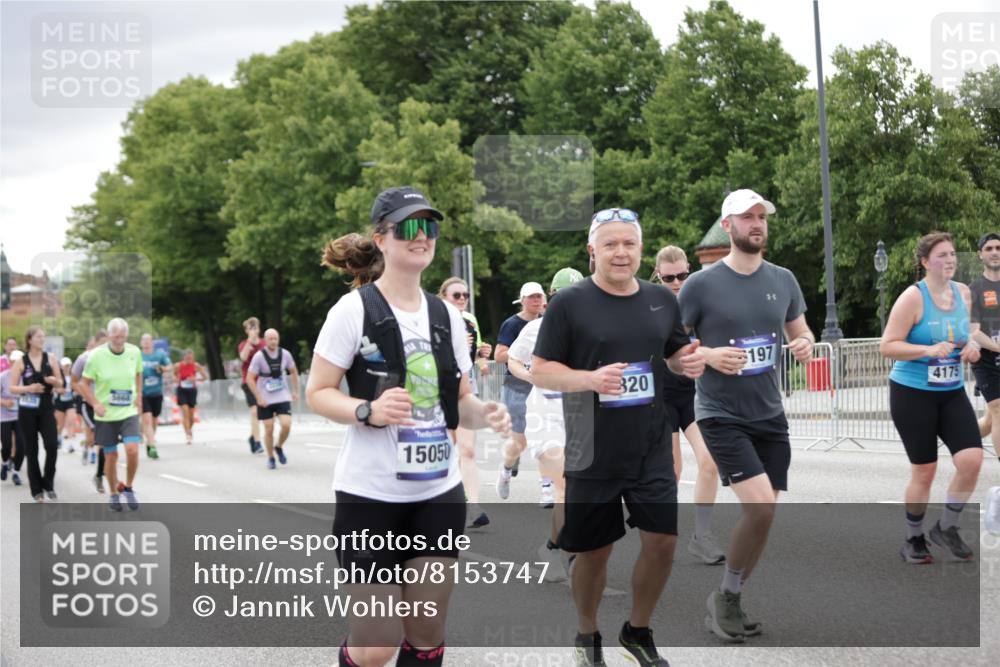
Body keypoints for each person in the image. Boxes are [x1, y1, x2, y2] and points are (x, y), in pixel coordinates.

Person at [306, 186, 511, 667]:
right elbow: (318, 391)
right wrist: (367, 411)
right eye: (409, 228)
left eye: (430, 227)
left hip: (437, 494)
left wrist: (489, 414)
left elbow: (460, 401)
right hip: (369, 497)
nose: (422, 238)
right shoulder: (353, 311)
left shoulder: (447, 316)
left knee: (424, 634)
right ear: (381, 239)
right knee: (376, 645)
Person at [532, 208, 705, 667]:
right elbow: (541, 370)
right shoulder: (570, 303)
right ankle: (587, 633)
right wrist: (590, 379)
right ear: (593, 251)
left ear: (641, 249)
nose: (621, 252)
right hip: (591, 447)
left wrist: (688, 361)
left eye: (629, 243)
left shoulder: (661, 300)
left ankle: (638, 630)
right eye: (610, 244)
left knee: (663, 541)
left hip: (649, 442)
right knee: (594, 551)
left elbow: (672, 352)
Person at [678, 189, 814, 643]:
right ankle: (726, 600)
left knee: (765, 513)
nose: (757, 224)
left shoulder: (784, 279)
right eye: (748, 217)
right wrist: (709, 354)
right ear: (728, 226)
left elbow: (801, 331)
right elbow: (671, 352)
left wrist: (805, 344)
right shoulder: (701, 285)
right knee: (760, 505)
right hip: (720, 413)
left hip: (770, 414)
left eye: (762, 217)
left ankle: (729, 595)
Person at [880, 232, 984, 563]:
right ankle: (913, 538)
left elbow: (970, 335)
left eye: (953, 254)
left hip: (951, 391)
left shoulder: (964, 294)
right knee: (924, 471)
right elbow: (887, 346)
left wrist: (973, 348)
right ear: (925, 262)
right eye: (942, 255)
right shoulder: (913, 298)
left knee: (971, 460)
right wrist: (926, 349)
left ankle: (947, 527)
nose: (950, 260)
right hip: (913, 394)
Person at [507, 266, 583, 583]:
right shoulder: (536, 329)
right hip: (544, 415)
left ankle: (553, 546)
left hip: (580, 417)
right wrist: (530, 375)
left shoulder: (591, 327)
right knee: (565, 486)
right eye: (563, 297)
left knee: (581, 490)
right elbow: (512, 359)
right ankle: (574, 552)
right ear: (552, 299)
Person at [653, 246, 725, 565]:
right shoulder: (649, 302)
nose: (677, 282)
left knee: (710, 461)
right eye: (669, 277)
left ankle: (702, 536)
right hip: (659, 397)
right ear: (658, 276)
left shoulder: (698, 297)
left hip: (692, 394)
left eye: (682, 275)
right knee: (673, 469)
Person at [439, 276, 493, 528]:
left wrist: (483, 357)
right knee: (446, 449)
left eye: (465, 295)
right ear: (443, 297)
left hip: (466, 387)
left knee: (468, 449)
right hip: (439, 387)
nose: (462, 299)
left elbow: (478, 352)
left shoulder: (470, 320)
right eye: (456, 295)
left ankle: (473, 508)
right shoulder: (433, 317)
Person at [78, 318, 144, 511]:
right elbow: (83, 384)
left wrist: (139, 395)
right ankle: (114, 494)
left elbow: (139, 373)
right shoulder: (96, 356)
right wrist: (95, 403)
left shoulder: (134, 352)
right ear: (108, 336)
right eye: (116, 336)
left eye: (122, 336)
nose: (119, 339)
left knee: (132, 449)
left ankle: (129, 487)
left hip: (128, 412)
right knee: (111, 456)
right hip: (106, 415)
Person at [494, 281, 546, 500]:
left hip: (541, 387)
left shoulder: (548, 323)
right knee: (520, 441)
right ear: (522, 300)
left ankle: (548, 487)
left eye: (539, 297)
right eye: (531, 297)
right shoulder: (512, 324)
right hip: (516, 385)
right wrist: (522, 351)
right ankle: (505, 470)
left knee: (547, 436)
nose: (536, 301)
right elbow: (499, 355)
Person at [9, 326, 63, 502]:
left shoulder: (51, 358)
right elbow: (12, 387)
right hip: (27, 408)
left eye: (43, 337)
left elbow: (61, 384)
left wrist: (55, 381)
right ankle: (36, 490)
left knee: (52, 445)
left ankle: (48, 481)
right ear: (30, 340)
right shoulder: (21, 361)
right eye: (39, 337)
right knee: (32, 450)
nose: (42, 339)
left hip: (46, 405)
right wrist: (29, 388)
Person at [246, 328, 300, 470]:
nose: (273, 341)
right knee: (269, 429)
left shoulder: (285, 354)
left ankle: (279, 446)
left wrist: (295, 391)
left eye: (275, 338)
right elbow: (249, 378)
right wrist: (258, 397)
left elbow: (294, 371)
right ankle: (270, 457)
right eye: (270, 338)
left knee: (287, 424)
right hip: (265, 398)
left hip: (282, 395)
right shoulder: (259, 356)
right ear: (265, 340)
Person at [969, 232, 1000, 462]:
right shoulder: (975, 289)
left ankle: (962, 438)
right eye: (989, 248)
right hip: (986, 359)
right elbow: (973, 331)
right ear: (980, 254)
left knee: (990, 421)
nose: (995, 252)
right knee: (998, 410)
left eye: (998, 248)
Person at [72, 331, 107, 488]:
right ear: (96, 343)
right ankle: (88, 448)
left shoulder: (112, 357)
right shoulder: (84, 358)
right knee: (94, 435)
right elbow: (74, 382)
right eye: (103, 343)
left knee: (105, 441)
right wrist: (85, 395)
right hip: (88, 404)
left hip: (106, 405)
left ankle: (99, 474)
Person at [139, 333, 171, 460]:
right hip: (143, 392)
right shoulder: (137, 356)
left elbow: (170, 366)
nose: (146, 342)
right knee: (146, 419)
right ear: (141, 343)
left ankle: (150, 440)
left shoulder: (160, 355)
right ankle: (152, 446)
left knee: (154, 419)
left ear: (152, 343)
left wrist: (162, 369)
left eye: (148, 340)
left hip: (156, 392)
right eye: (144, 340)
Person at [239, 317, 266, 455]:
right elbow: (243, 357)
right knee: (255, 412)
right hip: (248, 382)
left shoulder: (264, 343)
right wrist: (250, 341)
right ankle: (257, 442)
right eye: (251, 327)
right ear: (246, 331)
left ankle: (252, 436)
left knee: (263, 413)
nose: (254, 330)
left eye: (255, 327)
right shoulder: (244, 344)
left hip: (263, 383)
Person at [173, 349, 208, 445]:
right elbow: (174, 375)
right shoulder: (178, 365)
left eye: (191, 358)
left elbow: (205, 377)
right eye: (187, 358)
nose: (189, 360)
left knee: (191, 415)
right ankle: (188, 434)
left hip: (192, 391)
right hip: (182, 390)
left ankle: (189, 429)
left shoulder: (196, 365)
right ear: (184, 357)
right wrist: (176, 379)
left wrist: (195, 379)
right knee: (185, 412)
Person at [1, 350, 25, 486]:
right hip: (4, 416)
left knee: (21, 446)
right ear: (9, 362)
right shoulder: (3, 377)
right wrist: (4, 402)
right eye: (13, 361)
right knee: (6, 445)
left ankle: (16, 472)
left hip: (21, 416)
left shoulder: (26, 378)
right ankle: (4, 463)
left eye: (19, 362)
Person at [53, 357, 77, 454]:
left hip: (70, 401)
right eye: (65, 366)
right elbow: (52, 388)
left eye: (68, 365)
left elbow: (77, 386)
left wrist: (75, 390)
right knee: (60, 425)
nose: (67, 367)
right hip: (59, 402)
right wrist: (57, 390)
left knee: (71, 422)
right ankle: (59, 438)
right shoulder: (57, 376)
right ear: (62, 367)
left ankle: (71, 445)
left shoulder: (73, 376)